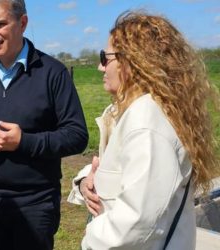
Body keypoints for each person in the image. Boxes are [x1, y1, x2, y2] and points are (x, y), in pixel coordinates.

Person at [68, 10, 220, 249]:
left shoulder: (146, 122)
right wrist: (87, 180)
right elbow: (128, 174)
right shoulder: (135, 112)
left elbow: (136, 224)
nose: (100, 67)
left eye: (105, 57)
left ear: (132, 61)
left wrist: (91, 234)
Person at [0, 0, 88, 249]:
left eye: (0, 24)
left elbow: (76, 135)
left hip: (36, 203)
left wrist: (24, 142)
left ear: (22, 23)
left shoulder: (52, 72)